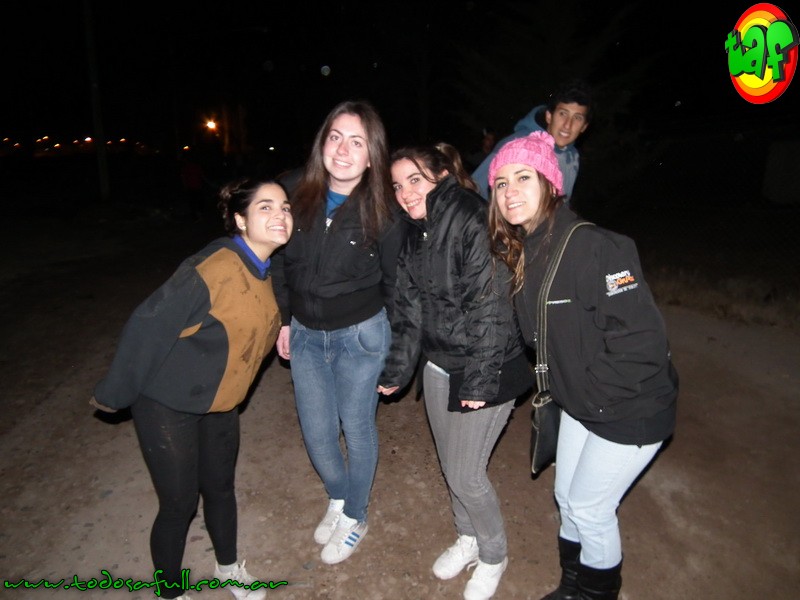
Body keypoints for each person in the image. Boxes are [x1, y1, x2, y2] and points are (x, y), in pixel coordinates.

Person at [486, 131, 678, 600]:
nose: (510, 191)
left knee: (590, 509)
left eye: (523, 177)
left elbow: (642, 345)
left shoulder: (597, 248)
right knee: (566, 498)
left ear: (551, 183)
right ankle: (572, 587)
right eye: (501, 183)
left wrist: (591, 395)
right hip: (580, 403)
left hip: (629, 407)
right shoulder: (529, 249)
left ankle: (596, 594)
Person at [91, 177, 293, 600]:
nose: (280, 216)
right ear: (240, 220)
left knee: (220, 488)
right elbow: (147, 324)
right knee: (179, 503)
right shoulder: (213, 268)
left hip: (219, 402)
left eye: (285, 207)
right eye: (266, 207)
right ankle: (170, 591)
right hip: (167, 403)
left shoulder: (267, 269)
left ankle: (228, 569)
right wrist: (114, 393)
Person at [378, 145, 532, 600]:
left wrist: (480, 381)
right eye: (397, 185)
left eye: (415, 180)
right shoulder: (414, 232)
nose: (405, 193)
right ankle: (467, 537)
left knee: (467, 474)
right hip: (439, 363)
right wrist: (398, 368)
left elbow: (489, 305)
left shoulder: (471, 217)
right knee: (451, 465)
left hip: (488, 364)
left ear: (442, 175)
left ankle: (494, 554)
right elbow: (408, 310)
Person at [271, 100, 407, 565]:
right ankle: (339, 495)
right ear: (321, 143)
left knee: (357, 427)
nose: (343, 150)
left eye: (357, 142)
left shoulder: (384, 210)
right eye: (335, 137)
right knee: (317, 431)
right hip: (306, 334)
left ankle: (356, 514)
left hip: (361, 337)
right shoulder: (293, 192)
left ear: (372, 156)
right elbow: (279, 262)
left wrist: (397, 353)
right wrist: (284, 318)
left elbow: (396, 286)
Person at [473, 79, 592, 204]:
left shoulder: (572, 158)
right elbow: (476, 188)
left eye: (577, 118)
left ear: (584, 127)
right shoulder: (516, 145)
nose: (567, 125)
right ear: (549, 116)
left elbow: (562, 204)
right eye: (563, 114)